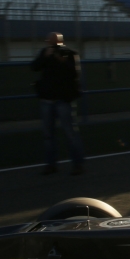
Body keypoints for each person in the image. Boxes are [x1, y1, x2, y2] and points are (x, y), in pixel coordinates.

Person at [32, 32, 85, 175]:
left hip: (63, 99)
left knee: (70, 133)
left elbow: (74, 73)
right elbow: (34, 67)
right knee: (49, 135)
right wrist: (45, 56)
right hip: (47, 99)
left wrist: (62, 61)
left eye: (51, 40)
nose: (49, 43)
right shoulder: (45, 53)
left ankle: (77, 164)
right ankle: (51, 165)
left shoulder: (70, 53)